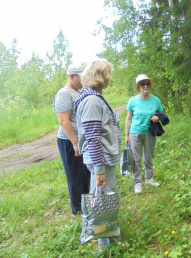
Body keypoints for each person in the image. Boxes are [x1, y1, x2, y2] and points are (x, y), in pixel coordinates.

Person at [75, 59, 121, 248]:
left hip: (103, 158)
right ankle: (104, 243)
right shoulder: (92, 100)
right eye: (108, 73)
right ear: (103, 76)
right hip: (100, 160)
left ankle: (107, 237)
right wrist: (99, 169)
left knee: (104, 196)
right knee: (102, 198)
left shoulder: (94, 97)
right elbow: (93, 137)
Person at [53, 64, 90, 215]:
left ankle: (86, 202)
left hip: (81, 139)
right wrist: (75, 142)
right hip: (69, 140)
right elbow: (63, 120)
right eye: (80, 77)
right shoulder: (64, 94)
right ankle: (78, 209)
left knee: (85, 172)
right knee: (75, 174)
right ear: (72, 76)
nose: (83, 80)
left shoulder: (78, 92)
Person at [125, 74, 163, 194]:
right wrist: (126, 135)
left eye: (147, 83)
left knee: (148, 156)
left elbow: (160, 114)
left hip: (150, 132)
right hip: (135, 132)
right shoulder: (133, 100)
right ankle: (137, 182)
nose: (145, 86)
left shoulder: (156, 100)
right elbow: (128, 119)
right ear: (138, 86)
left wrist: (158, 118)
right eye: (142, 84)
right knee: (136, 158)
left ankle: (149, 179)